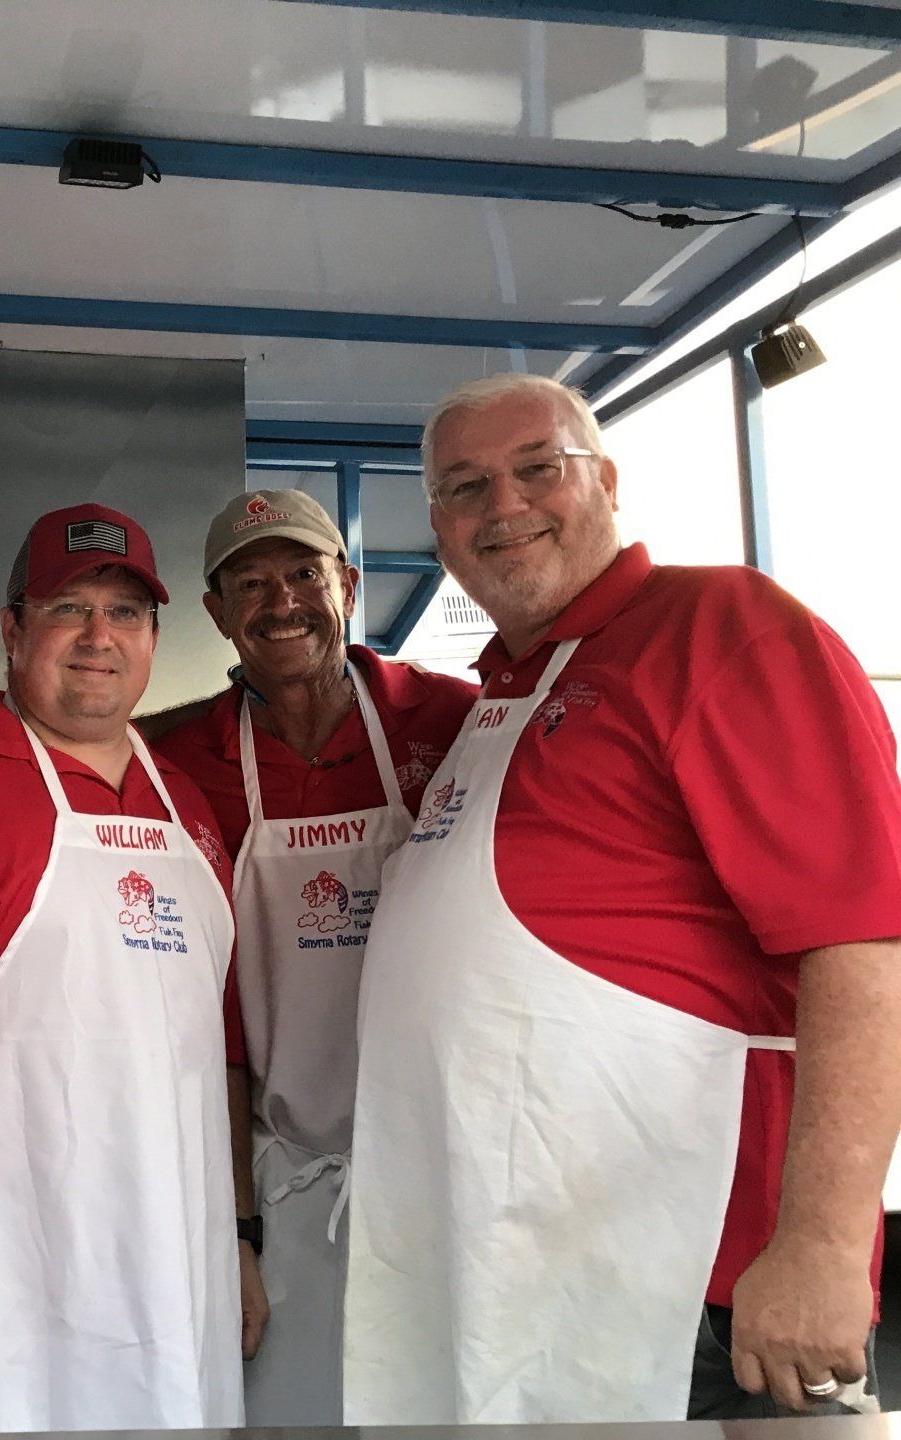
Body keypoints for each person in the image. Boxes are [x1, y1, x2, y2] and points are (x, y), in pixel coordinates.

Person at [343, 373, 901, 1425]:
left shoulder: (722, 628)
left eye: (537, 468)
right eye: (464, 486)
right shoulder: (507, 687)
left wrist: (822, 1245)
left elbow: (865, 942)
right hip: (529, 1271)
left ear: (604, 480)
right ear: (438, 527)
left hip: (700, 1284)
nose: (503, 505)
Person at [0, 503, 261, 1435]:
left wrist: (235, 1235)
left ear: (154, 638)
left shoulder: (187, 806)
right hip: (9, 1305)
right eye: (69, 608)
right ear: (14, 629)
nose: (100, 637)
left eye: (126, 612)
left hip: (182, 1293)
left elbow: (213, 1047)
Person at [150, 488, 473, 1424]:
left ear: (349, 586)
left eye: (303, 573)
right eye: (249, 583)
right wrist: (233, 1222)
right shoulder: (176, 760)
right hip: (279, 1171)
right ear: (217, 613)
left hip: (443, 1161)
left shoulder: (454, 723)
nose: (281, 601)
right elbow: (197, 1006)